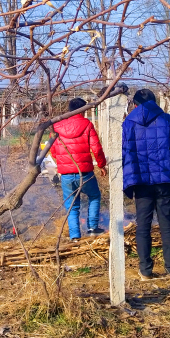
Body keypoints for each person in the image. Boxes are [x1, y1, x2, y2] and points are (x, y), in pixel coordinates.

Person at [122, 89, 170, 280]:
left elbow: (124, 151)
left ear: (135, 105)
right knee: (166, 224)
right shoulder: (167, 120)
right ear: (155, 101)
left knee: (143, 225)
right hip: (165, 179)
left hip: (140, 181)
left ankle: (145, 269)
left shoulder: (128, 123)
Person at [49, 98, 107, 240]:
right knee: (94, 196)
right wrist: (101, 165)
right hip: (85, 173)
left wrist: (62, 162)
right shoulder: (87, 124)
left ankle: (75, 236)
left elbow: (53, 150)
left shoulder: (56, 126)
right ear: (83, 110)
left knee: (72, 205)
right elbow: (96, 148)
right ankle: (93, 228)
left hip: (66, 175)